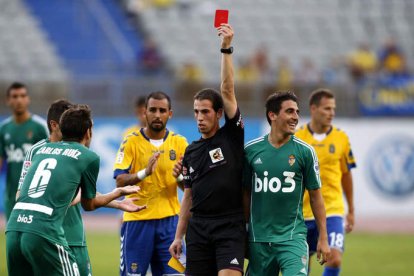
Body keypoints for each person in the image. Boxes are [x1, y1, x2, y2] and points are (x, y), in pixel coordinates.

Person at [6, 105, 141, 276]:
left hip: (14, 227)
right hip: (43, 230)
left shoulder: (41, 151)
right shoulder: (88, 156)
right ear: (88, 133)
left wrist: (118, 204)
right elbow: (89, 204)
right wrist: (118, 192)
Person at [169, 24, 246, 276]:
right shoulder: (191, 152)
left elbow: (227, 90)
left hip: (230, 226)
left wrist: (226, 48)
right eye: (196, 112)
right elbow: (188, 197)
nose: (199, 117)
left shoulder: (232, 135)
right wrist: (178, 236)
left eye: (205, 112)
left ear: (219, 113)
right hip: (198, 229)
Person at [243, 91, 330, 276]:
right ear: (272, 115)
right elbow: (245, 194)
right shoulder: (251, 151)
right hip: (258, 240)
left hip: (292, 238)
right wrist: (242, 231)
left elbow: (316, 197)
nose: (296, 117)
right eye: (290, 111)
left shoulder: (305, 152)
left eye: (297, 112)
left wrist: (323, 237)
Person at [113, 91, 188, 276]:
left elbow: (189, 187)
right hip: (138, 222)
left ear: (170, 114)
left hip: (170, 224)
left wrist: (178, 177)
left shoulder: (179, 143)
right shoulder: (131, 141)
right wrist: (144, 173)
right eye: (152, 110)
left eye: (162, 110)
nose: (157, 114)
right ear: (144, 112)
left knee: (177, 274)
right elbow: (120, 180)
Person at [295, 89, 356, 276]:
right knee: (301, 269)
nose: (332, 113)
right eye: (327, 108)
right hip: (302, 213)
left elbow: (346, 174)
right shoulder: (297, 138)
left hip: (332, 210)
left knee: (334, 258)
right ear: (313, 109)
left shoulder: (341, 138)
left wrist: (351, 210)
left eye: (333, 109)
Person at [0, 82, 48, 221]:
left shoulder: (40, 127)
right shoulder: (3, 129)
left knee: (32, 240)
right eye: (15, 96)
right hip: (12, 195)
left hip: (36, 195)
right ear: (8, 100)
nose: (19, 100)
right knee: (13, 241)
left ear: (28, 99)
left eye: (22, 95)